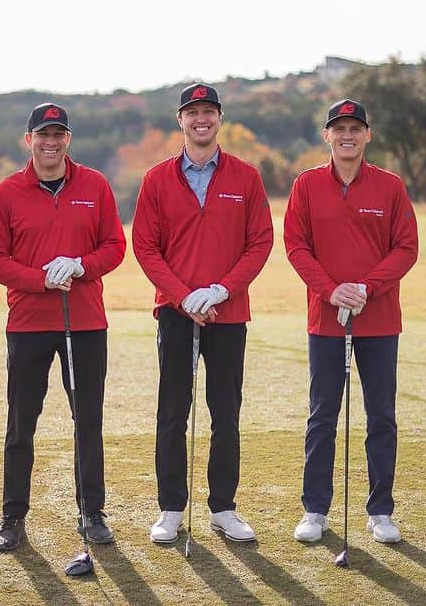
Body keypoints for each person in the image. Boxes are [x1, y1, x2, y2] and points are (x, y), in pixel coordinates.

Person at [132, 83, 273, 544]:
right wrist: (181, 296)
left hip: (228, 314)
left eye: (209, 112)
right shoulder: (157, 179)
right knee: (172, 412)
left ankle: (223, 507)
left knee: (225, 412)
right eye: (193, 113)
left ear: (219, 118)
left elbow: (260, 243)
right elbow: (146, 247)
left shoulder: (245, 177)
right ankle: (171, 508)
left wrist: (220, 290)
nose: (201, 120)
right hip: (175, 315)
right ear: (181, 120)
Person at [0, 102, 126, 552]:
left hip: (85, 322)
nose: (51, 142)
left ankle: (92, 512)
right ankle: (12, 517)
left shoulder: (95, 185)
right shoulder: (7, 192)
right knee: (22, 422)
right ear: (29, 140)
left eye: (59, 134)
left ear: (68, 139)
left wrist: (81, 265)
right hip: (28, 323)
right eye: (43, 135)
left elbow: (115, 246)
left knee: (88, 420)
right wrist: (40, 279)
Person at [283, 98, 419, 545]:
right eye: (339, 128)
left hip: (378, 320)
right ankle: (315, 510)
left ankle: (380, 510)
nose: (347, 135)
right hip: (325, 320)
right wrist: (331, 289)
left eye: (355, 128)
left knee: (381, 416)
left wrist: (366, 286)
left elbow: (405, 248)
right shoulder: (306, 186)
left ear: (367, 135)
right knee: (323, 416)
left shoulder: (390, 186)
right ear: (327, 135)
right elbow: (296, 246)